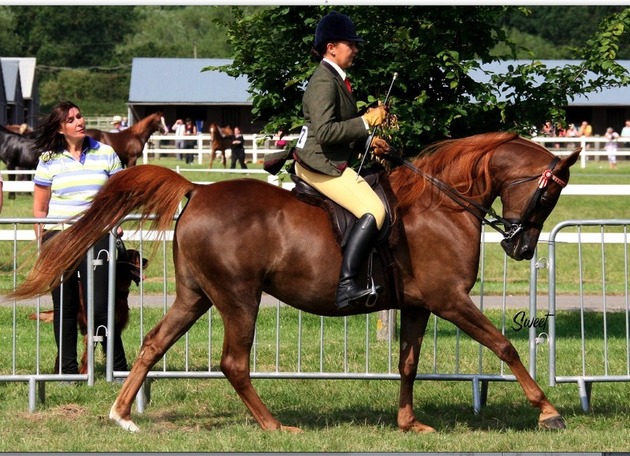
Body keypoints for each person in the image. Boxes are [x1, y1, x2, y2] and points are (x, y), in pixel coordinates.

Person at [293, 11, 390, 310]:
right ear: (332, 47)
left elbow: (340, 127)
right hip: (320, 163)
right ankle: (347, 285)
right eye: (351, 44)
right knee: (375, 210)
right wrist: (365, 121)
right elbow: (324, 132)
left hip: (330, 156)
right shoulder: (324, 81)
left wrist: (368, 141)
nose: (356, 49)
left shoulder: (336, 78)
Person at [32, 100, 128, 376]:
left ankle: (117, 368)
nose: (79, 122)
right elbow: (40, 207)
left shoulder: (106, 152)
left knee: (101, 307)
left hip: (97, 235)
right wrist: (44, 243)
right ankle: (67, 371)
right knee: (65, 306)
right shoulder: (49, 160)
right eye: (72, 119)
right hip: (59, 239)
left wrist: (116, 222)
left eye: (80, 116)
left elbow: (120, 195)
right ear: (61, 128)